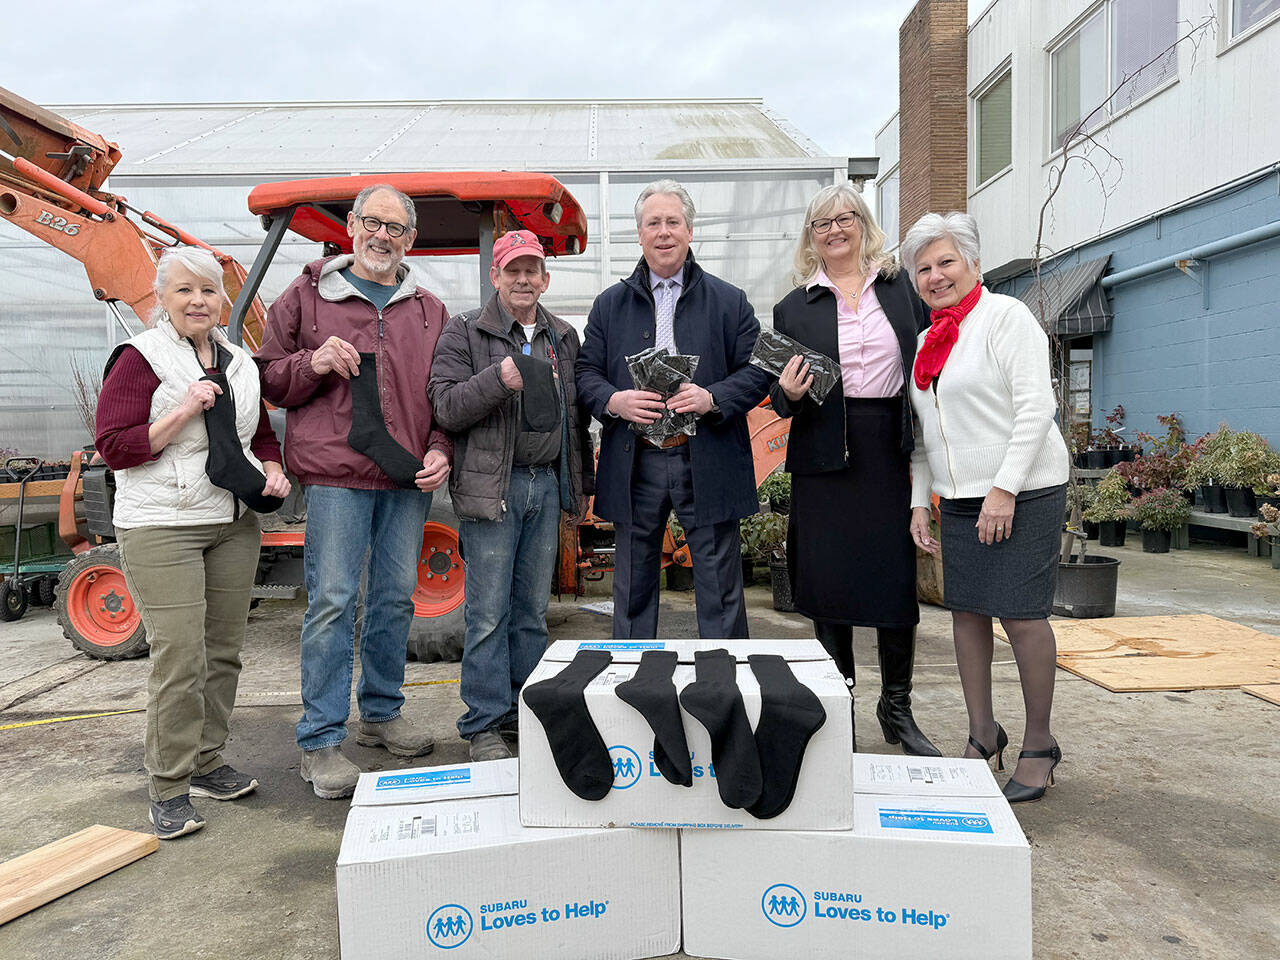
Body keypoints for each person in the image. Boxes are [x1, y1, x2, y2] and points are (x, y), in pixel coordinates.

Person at [255, 184, 452, 800]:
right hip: (337, 474)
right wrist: (311, 363)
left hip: (405, 477)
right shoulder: (308, 294)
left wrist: (441, 445)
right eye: (372, 222)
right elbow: (267, 375)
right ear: (351, 226)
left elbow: (445, 391)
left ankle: (382, 714)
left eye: (395, 228)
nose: (382, 236)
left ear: (409, 240)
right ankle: (319, 740)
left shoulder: (429, 309)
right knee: (334, 602)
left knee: (394, 599)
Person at [96, 245, 291, 839]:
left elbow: (258, 436)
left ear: (222, 300)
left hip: (231, 521)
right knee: (179, 657)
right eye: (183, 290)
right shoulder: (140, 358)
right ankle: (169, 784)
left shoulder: (239, 362)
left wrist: (272, 467)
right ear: (162, 299)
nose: (197, 300)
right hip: (161, 526)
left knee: (223, 650)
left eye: (207, 290)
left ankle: (207, 760)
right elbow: (114, 446)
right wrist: (181, 412)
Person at [902, 211, 1070, 802]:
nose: (935, 275)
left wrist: (1004, 487)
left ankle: (1040, 744)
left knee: (1022, 617)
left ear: (973, 263)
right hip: (960, 497)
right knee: (967, 614)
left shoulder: (1005, 317)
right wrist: (921, 503)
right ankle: (982, 733)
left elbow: (1035, 407)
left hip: (1023, 490)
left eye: (946, 261)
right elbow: (925, 434)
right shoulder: (927, 342)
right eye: (923, 268)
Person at [769, 183, 940, 756]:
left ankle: (896, 709)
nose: (835, 230)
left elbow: (928, 365)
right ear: (811, 237)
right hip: (822, 454)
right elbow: (781, 399)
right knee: (829, 584)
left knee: (894, 585)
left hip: (887, 449)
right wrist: (786, 394)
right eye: (823, 223)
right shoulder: (794, 307)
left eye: (845, 219)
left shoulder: (900, 290)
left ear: (863, 225)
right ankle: (838, 704)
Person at [576, 179, 770, 638]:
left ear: (689, 231)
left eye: (672, 222)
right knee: (632, 583)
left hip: (706, 454)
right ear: (639, 234)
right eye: (652, 223)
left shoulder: (729, 301)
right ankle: (633, 682)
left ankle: (723, 687)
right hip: (635, 458)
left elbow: (760, 370)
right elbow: (585, 373)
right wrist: (614, 400)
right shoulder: (609, 305)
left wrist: (712, 397)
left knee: (720, 582)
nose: (663, 232)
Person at [428, 229, 594, 762]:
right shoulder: (465, 334)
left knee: (531, 612)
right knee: (487, 614)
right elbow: (446, 408)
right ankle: (483, 723)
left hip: (545, 487)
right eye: (512, 270)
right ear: (495, 276)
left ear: (545, 279)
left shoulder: (563, 337)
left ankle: (525, 715)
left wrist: (578, 489)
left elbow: (576, 419)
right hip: (492, 490)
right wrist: (498, 380)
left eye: (532, 270)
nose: (523, 279)